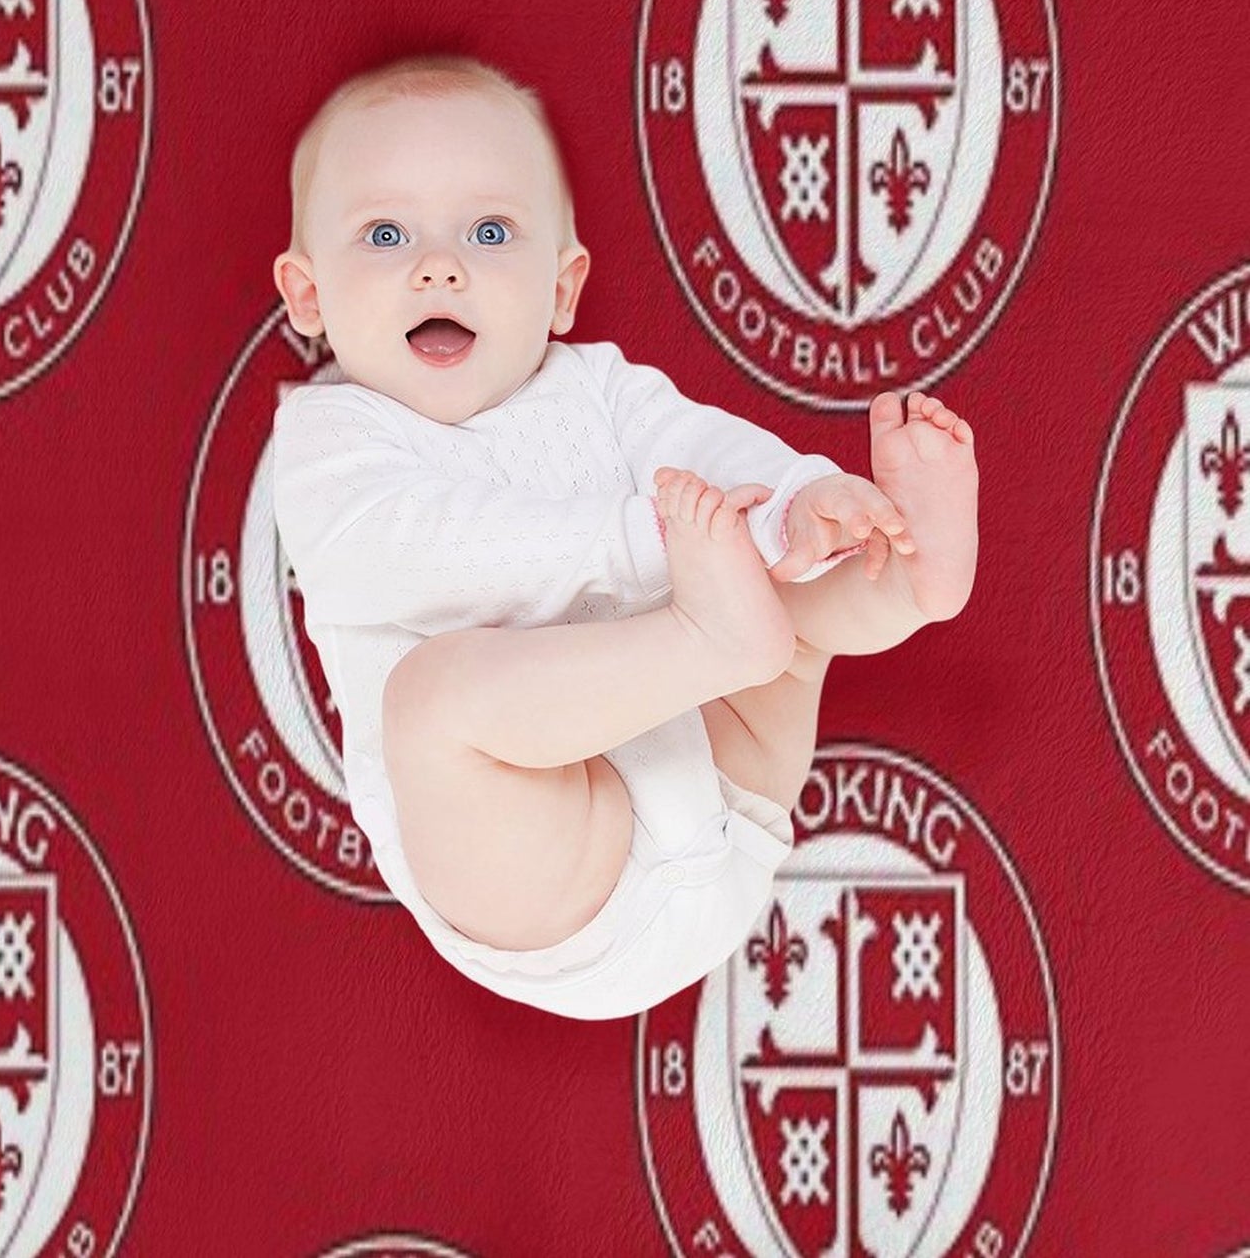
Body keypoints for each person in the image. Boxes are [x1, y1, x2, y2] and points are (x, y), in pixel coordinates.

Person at [271, 52, 979, 1020]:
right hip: (555, 879)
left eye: (489, 230)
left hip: (729, 788)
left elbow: (703, 448)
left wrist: (798, 500)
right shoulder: (332, 437)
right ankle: (721, 633)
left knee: (785, 595)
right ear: (308, 297)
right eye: (384, 232)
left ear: (560, 289)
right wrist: (651, 540)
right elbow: (405, 553)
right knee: (433, 698)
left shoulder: (598, 386)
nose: (440, 265)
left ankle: (899, 578)